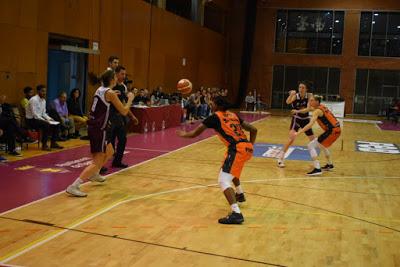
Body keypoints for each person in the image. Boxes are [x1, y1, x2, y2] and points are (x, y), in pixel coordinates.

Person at [177, 96, 258, 224]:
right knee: (228, 170)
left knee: (223, 180)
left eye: (212, 103)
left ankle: (236, 213)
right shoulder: (233, 115)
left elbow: (194, 133)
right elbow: (254, 129)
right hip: (246, 148)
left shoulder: (215, 117)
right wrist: (251, 146)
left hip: (237, 149)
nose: (210, 104)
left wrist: (183, 135)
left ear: (217, 105)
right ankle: (240, 194)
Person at [66, 69, 134, 197]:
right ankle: (74, 186)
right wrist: (130, 99)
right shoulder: (110, 94)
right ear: (112, 79)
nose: (117, 79)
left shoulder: (101, 89)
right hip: (99, 129)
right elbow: (124, 111)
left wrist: (113, 93)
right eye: (115, 77)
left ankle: (94, 174)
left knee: (110, 152)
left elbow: (106, 97)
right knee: (97, 161)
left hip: (95, 126)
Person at [291, 95, 341, 176]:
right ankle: (330, 165)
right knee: (322, 145)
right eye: (309, 100)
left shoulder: (317, 111)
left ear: (317, 102)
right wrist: (297, 111)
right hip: (337, 130)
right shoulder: (321, 107)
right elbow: (307, 109)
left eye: (311, 100)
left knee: (310, 145)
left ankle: (317, 168)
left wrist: (298, 133)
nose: (309, 102)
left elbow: (310, 124)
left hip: (332, 131)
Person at [277, 81, 315, 168]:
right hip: (296, 119)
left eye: (303, 88)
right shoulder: (296, 96)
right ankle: (280, 158)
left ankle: (315, 161)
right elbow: (287, 102)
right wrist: (291, 94)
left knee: (313, 141)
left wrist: (297, 110)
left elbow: (308, 109)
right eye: (299, 87)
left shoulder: (309, 96)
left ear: (306, 89)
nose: (301, 89)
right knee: (291, 139)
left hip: (305, 120)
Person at [110, 65, 138, 168]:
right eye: (122, 74)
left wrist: (132, 116)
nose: (124, 76)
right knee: (109, 143)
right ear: (116, 74)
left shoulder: (122, 87)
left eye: (125, 74)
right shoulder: (110, 86)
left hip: (119, 117)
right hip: (110, 118)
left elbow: (123, 104)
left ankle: (117, 161)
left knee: (123, 139)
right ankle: (99, 166)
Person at [25, 85, 63, 151]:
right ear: (38, 91)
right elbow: (35, 115)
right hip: (31, 120)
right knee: (46, 125)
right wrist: (45, 121)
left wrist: (49, 119)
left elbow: (43, 113)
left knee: (56, 124)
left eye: (45, 91)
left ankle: (53, 143)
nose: (44, 93)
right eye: (42, 91)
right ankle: (44, 145)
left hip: (38, 119)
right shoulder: (33, 100)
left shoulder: (43, 101)